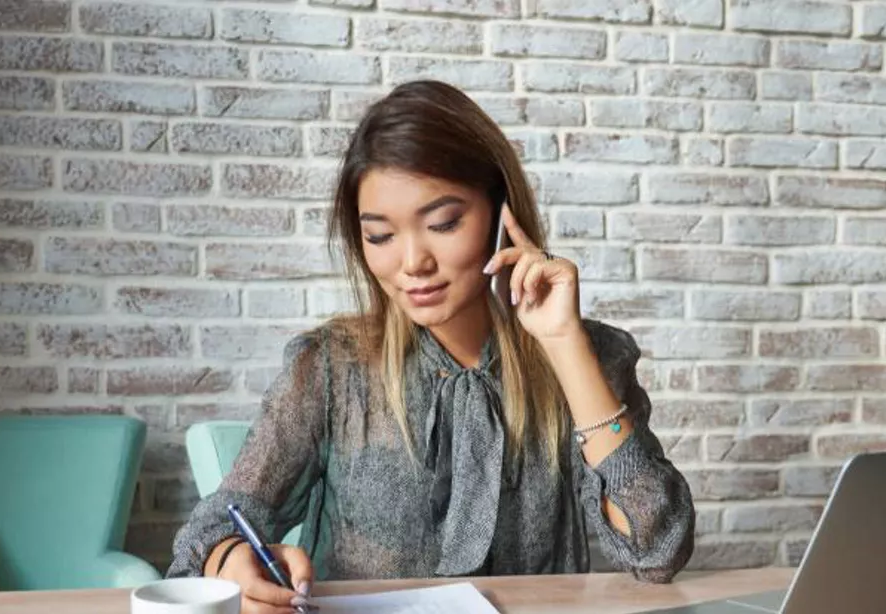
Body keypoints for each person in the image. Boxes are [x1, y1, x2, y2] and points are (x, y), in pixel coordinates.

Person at [167, 80, 695, 613]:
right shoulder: (330, 366)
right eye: (379, 236)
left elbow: (658, 550)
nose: (413, 261)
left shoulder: (586, 356)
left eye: (443, 223)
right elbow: (208, 534)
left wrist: (563, 344)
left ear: (498, 212)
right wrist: (232, 560)